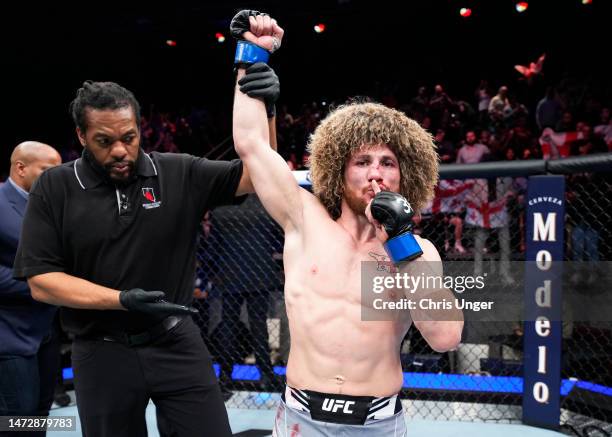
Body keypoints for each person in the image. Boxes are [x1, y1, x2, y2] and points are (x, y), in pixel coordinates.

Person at [13, 65, 280, 436]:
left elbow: (258, 176)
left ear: (141, 129)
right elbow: (42, 282)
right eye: (104, 141)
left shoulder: (176, 171)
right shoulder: (55, 187)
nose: (121, 150)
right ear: (81, 135)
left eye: (129, 136)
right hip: (100, 351)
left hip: (176, 341)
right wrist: (122, 299)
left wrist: (266, 111)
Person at [231, 12, 463, 435]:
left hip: (377, 423)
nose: (376, 173)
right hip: (299, 419)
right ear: (339, 171)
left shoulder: (419, 252)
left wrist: (400, 243)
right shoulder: (303, 219)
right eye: (363, 162)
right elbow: (250, 144)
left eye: (387, 163)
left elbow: (445, 337)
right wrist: (254, 54)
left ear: (403, 176)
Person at [0, 141, 62, 437]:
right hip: (10, 334)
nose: (57, 177)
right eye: (48, 171)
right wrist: (45, 285)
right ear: (21, 168)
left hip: (47, 331)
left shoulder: (53, 206)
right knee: (18, 419)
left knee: (40, 413)